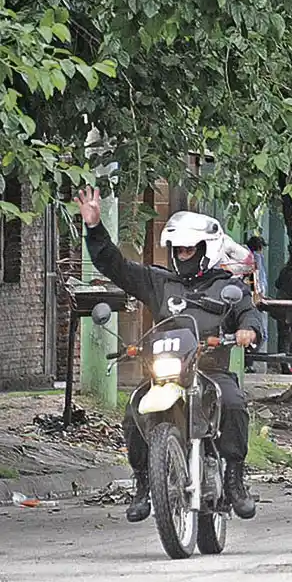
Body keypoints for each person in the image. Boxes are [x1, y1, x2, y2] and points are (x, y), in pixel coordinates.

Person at [77, 188, 263, 523]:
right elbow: (115, 266)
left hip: (209, 370)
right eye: (178, 249)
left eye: (189, 249)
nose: (182, 255)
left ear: (206, 249)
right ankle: (143, 483)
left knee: (234, 403)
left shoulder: (227, 286)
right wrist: (94, 227)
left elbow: (248, 313)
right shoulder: (159, 282)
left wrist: (247, 330)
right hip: (166, 372)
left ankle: (235, 479)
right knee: (135, 408)